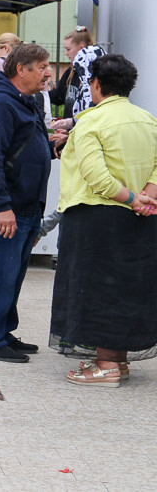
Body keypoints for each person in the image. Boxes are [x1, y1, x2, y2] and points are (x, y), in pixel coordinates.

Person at [49, 54, 157, 387]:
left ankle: (106, 366)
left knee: (96, 289)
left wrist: (128, 197)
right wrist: (145, 198)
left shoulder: (91, 121)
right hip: (141, 217)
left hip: (97, 216)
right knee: (127, 287)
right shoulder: (148, 120)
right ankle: (118, 360)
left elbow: (96, 175)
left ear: (96, 84)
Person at [0, 44, 53, 362]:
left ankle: (3, 332)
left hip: (27, 204)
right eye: (43, 66)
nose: (48, 72)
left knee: (14, 273)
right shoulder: (0, 103)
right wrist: (3, 207)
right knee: (0, 272)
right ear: (22, 70)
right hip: (10, 206)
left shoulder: (25, 100)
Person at [63, 25, 106, 116]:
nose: (65, 53)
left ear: (81, 49)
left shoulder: (98, 76)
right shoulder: (72, 71)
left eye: (68, 49)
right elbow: (58, 96)